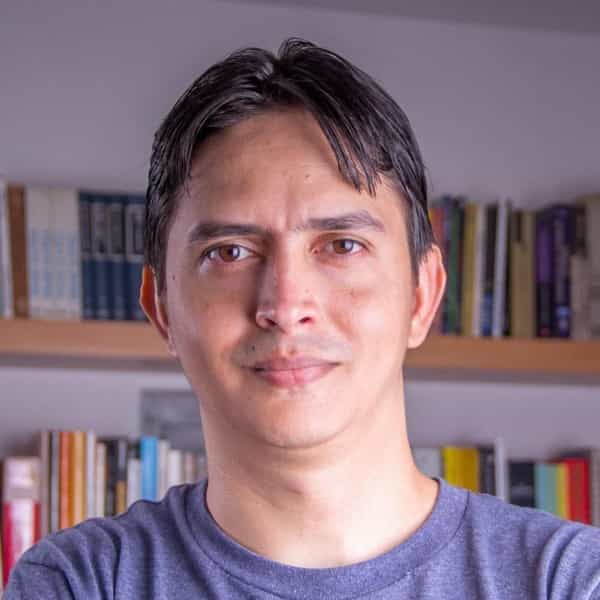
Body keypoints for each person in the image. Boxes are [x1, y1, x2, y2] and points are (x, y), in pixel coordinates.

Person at [5, 37, 600, 600]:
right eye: (230, 252)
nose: (286, 306)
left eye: (341, 245)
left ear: (422, 295)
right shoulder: (79, 584)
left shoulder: (570, 582)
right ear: (162, 308)